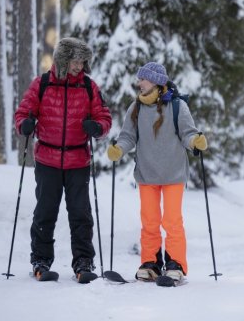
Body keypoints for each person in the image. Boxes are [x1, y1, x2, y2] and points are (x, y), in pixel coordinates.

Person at [14, 37, 111, 283]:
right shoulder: (43, 84)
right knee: (45, 212)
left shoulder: (89, 87)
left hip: (78, 160)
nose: (79, 66)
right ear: (63, 59)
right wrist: (24, 124)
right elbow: (23, 112)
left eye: (82, 61)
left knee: (81, 214)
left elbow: (104, 117)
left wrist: (97, 127)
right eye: (76, 60)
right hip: (47, 159)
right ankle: (41, 261)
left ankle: (84, 262)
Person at [106, 62, 208, 284]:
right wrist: (118, 149)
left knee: (172, 221)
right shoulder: (136, 108)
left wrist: (196, 142)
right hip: (146, 173)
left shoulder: (178, 107)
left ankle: (176, 265)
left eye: (142, 79)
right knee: (150, 222)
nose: (139, 83)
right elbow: (127, 136)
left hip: (173, 173)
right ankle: (150, 263)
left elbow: (188, 133)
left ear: (155, 81)